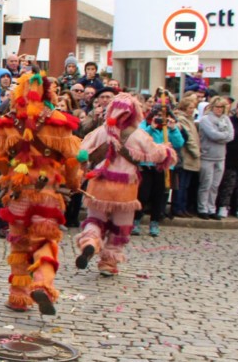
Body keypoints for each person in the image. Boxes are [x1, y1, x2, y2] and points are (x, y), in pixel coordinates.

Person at [0, 72, 83, 313]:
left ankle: (18, 296)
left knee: (19, 244)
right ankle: (42, 283)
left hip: (18, 194)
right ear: (48, 91)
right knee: (45, 243)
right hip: (47, 193)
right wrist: (73, 183)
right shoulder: (58, 121)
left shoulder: (9, 122)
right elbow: (72, 161)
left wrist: (9, 177)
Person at [74, 94, 177, 276]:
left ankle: (90, 242)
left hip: (99, 183)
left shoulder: (101, 132)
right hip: (126, 188)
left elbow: (81, 153)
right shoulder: (138, 135)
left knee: (95, 220)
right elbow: (157, 154)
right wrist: (166, 149)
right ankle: (108, 262)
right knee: (120, 226)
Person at [136, 98, 184, 237]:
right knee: (143, 195)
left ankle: (155, 222)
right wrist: (152, 127)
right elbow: (140, 139)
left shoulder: (168, 128)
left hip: (163, 166)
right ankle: (137, 220)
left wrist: (173, 129)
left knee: (159, 196)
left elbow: (179, 143)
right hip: (147, 166)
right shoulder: (145, 125)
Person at [197, 97, 234, 219]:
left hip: (221, 156)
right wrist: (223, 136)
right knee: (206, 184)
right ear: (212, 107)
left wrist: (222, 136)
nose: (219, 109)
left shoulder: (226, 119)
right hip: (207, 155)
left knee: (215, 185)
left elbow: (231, 136)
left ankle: (212, 208)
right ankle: (202, 208)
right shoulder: (205, 119)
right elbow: (213, 135)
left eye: (221, 107)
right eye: (217, 107)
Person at [172, 94, 202, 218]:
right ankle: (178, 207)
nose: (192, 110)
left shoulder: (189, 120)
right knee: (181, 184)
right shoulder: (182, 119)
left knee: (186, 184)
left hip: (190, 157)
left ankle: (183, 207)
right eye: (190, 107)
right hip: (186, 156)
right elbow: (189, 139)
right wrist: (196, 152)